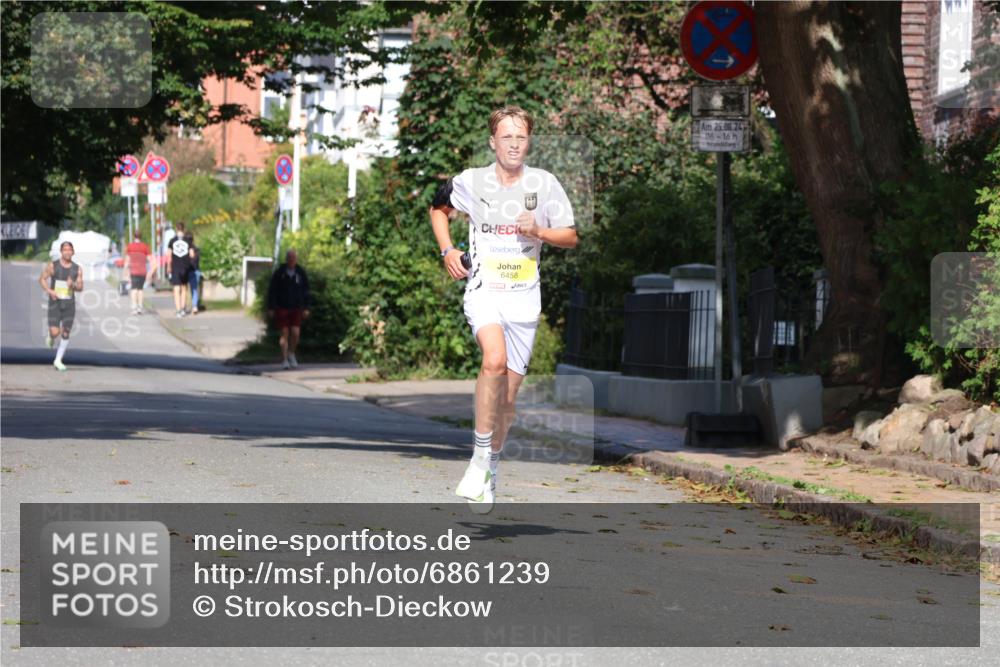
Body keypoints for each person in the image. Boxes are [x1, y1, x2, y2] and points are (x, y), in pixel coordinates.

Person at [429, 106, 577, 510]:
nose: (514, 144)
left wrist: (540, 231)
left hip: (524, 299)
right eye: (506, 137)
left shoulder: (543, 184)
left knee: (507, 401)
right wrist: (448, 249)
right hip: (484, 291)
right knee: (492, 360)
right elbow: (437, 208)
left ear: (529, 142)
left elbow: (571, 236)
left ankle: (491, 466)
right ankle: (478, 460)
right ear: (493, 141)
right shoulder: (470, 181)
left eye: (521, 137)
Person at [39, 241, 84, 371]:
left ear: (73, 252)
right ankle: (51, 336)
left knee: (66, 331)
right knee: (55, 331)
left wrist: (73, 285)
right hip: (55, 303)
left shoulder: (77, 269)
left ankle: (58, 360)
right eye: (65, 250)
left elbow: (81, 287)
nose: (67, 252)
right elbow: (42, 279)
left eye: (70, 250)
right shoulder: (53, 266)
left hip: (69, 303)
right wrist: (50, 291)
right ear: (61, 251)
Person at [267, 249, 311, 370]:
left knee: (295, 333)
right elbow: (272, 290)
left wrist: (306, 307)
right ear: (286, 259)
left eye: (293, 257)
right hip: (282, 307)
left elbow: (306, 291)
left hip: (297, 307)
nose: (291, 259)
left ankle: (291, 353)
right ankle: (284, 359)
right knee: (284, 333)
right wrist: (271, 307)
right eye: (289, 257)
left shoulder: (300, 272)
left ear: (296, 259)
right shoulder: (280, 273)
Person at [125, 231, 155, 315]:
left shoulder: (130, 246)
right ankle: (140, 307)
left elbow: (127, 261)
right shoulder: (145, 247)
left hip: (133, 271)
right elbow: (150, 260)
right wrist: (151, 271)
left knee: (134, 289)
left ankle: (134, 307)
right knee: (140, 289)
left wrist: (126, 273)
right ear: (141, 236)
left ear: (134, 236)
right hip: (142, 271)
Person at [167, 222, 192, 317]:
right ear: (184, 229)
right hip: (185, 267)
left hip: (175, 267)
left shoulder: (172, 241)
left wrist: (168, 267)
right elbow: (191, 254)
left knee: (176, 289)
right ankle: (183, 308)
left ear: (176, 229)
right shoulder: (187, 240)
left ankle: (178, 310)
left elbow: (169, 255)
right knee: (184, 288)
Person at [186, 232, 202, 314]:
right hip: (196, 271)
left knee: (184, 289)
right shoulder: (197, 249)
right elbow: (197, 260)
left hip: (187, 271)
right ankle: (194, 306)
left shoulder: (184, 249)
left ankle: (186, 306)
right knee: (194, 290)